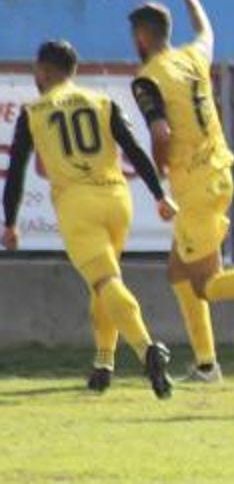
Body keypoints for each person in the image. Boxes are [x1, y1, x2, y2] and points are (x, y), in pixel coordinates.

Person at [128, 0, 234, 382]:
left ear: (141, 37)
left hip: (193, 188)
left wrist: (160, 183)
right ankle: (207, 364)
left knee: (205, 283)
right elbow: (205, 30)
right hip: (219, 172)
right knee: (179, 273)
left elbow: (160, 134)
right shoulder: (193, 57)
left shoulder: (148, 77)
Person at [2, 40, 176, 399]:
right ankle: (103, 363)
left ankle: (147, 350)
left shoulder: (34, 111)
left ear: (45, 71)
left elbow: (16, 169)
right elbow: (134, 148)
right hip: (116, 199)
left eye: (37, 70)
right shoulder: (102, 101)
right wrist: (160, 195)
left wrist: (10, 221)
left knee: (106, 281)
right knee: (106, 283)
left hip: (77, 204)